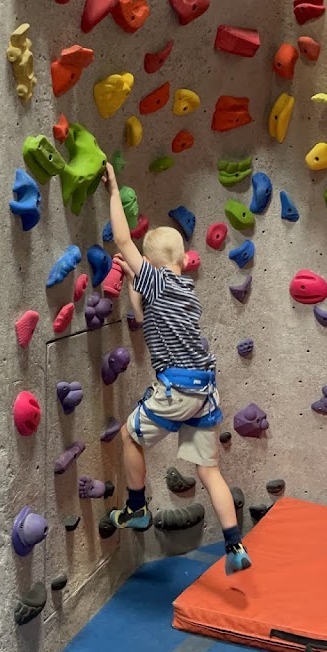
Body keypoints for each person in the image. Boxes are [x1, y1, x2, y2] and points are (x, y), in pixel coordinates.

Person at [103, 162, 251, 574]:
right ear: (184, 259)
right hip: (205, 392)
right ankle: (235, 545)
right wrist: (132, 277)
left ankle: (137, 509)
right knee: (209, 470)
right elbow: (141, 314)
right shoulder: (185, 289)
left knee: (129, 436)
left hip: (178, 388)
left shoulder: (157, 281)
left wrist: (113, 191)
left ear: (150, 263)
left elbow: (121, 237)